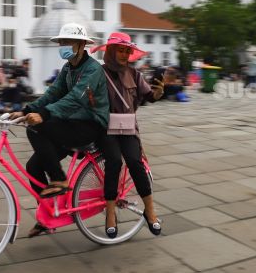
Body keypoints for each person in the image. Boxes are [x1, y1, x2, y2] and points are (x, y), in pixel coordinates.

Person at [9, 23, 109, 238]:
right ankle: (47, 217)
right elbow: (53, 93)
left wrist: (43, 115)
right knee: (33, 166)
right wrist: (26, 109)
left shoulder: (93, 69)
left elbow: (76, 98)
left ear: (82, 44)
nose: (62, 46)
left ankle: (59, 179)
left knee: (38, 127)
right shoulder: (68, 68)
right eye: (61, 42)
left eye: (67, 42)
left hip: (90, 125)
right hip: (71, 123)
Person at [90, 32, 164, 239]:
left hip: (128, 128)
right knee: (113, 161)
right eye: (120, 50)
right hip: (105, 129)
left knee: (134, 161)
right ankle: (110, 213)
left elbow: (149, 96)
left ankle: (150, 210)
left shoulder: (135, 74)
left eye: (126, 51)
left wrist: (158, 93)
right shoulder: (98, 73)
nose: (123, 54)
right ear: (111, 51)